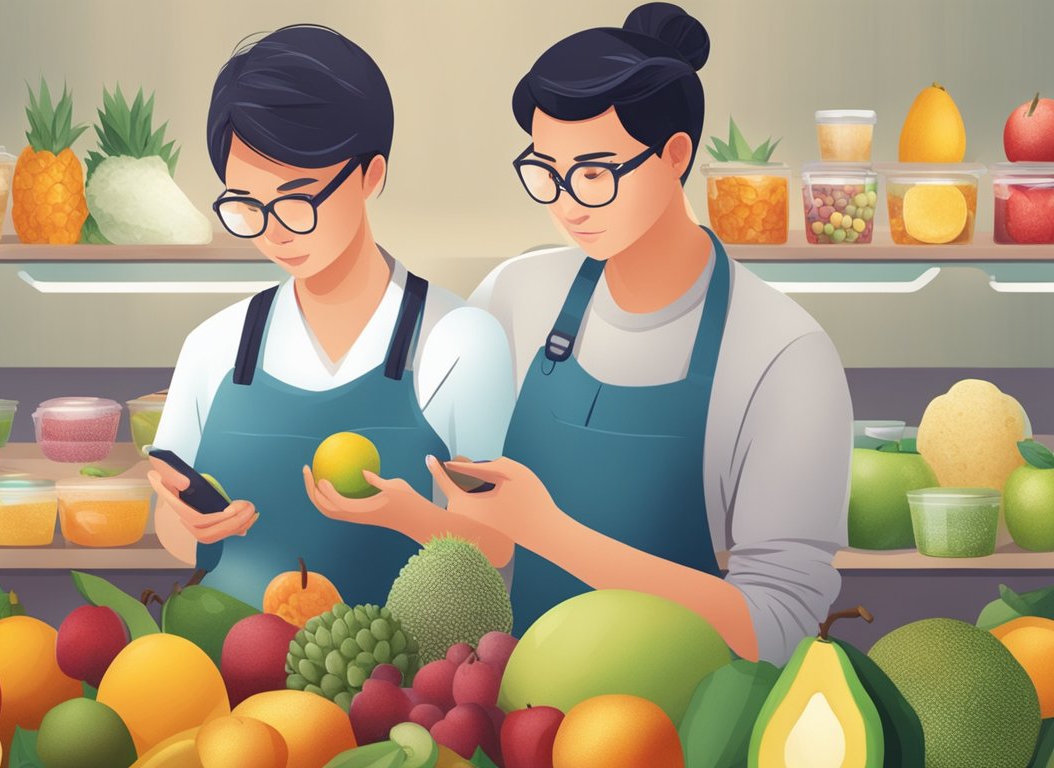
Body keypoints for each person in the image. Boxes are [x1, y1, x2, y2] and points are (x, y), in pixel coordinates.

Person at [313, 3, 851, 665]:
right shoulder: (516, 297)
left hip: (679, 725)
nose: (565, 203)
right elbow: (495, 551)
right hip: (513, 710)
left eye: (593, 174)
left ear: (674, 156)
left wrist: (553, 532)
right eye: (546, 172)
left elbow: (781, 629)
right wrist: (414, 517)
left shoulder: (782, 355)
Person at [147, 25, 515, 608]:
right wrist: (190, 525)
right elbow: (170, 527)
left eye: (297, 201)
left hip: (397, 680)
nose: (272, 230)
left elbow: (498, 543)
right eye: (246, 205)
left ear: (371, 175)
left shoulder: (458, 341)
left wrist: (410, 517)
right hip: (230, 674)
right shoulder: (215, 346)